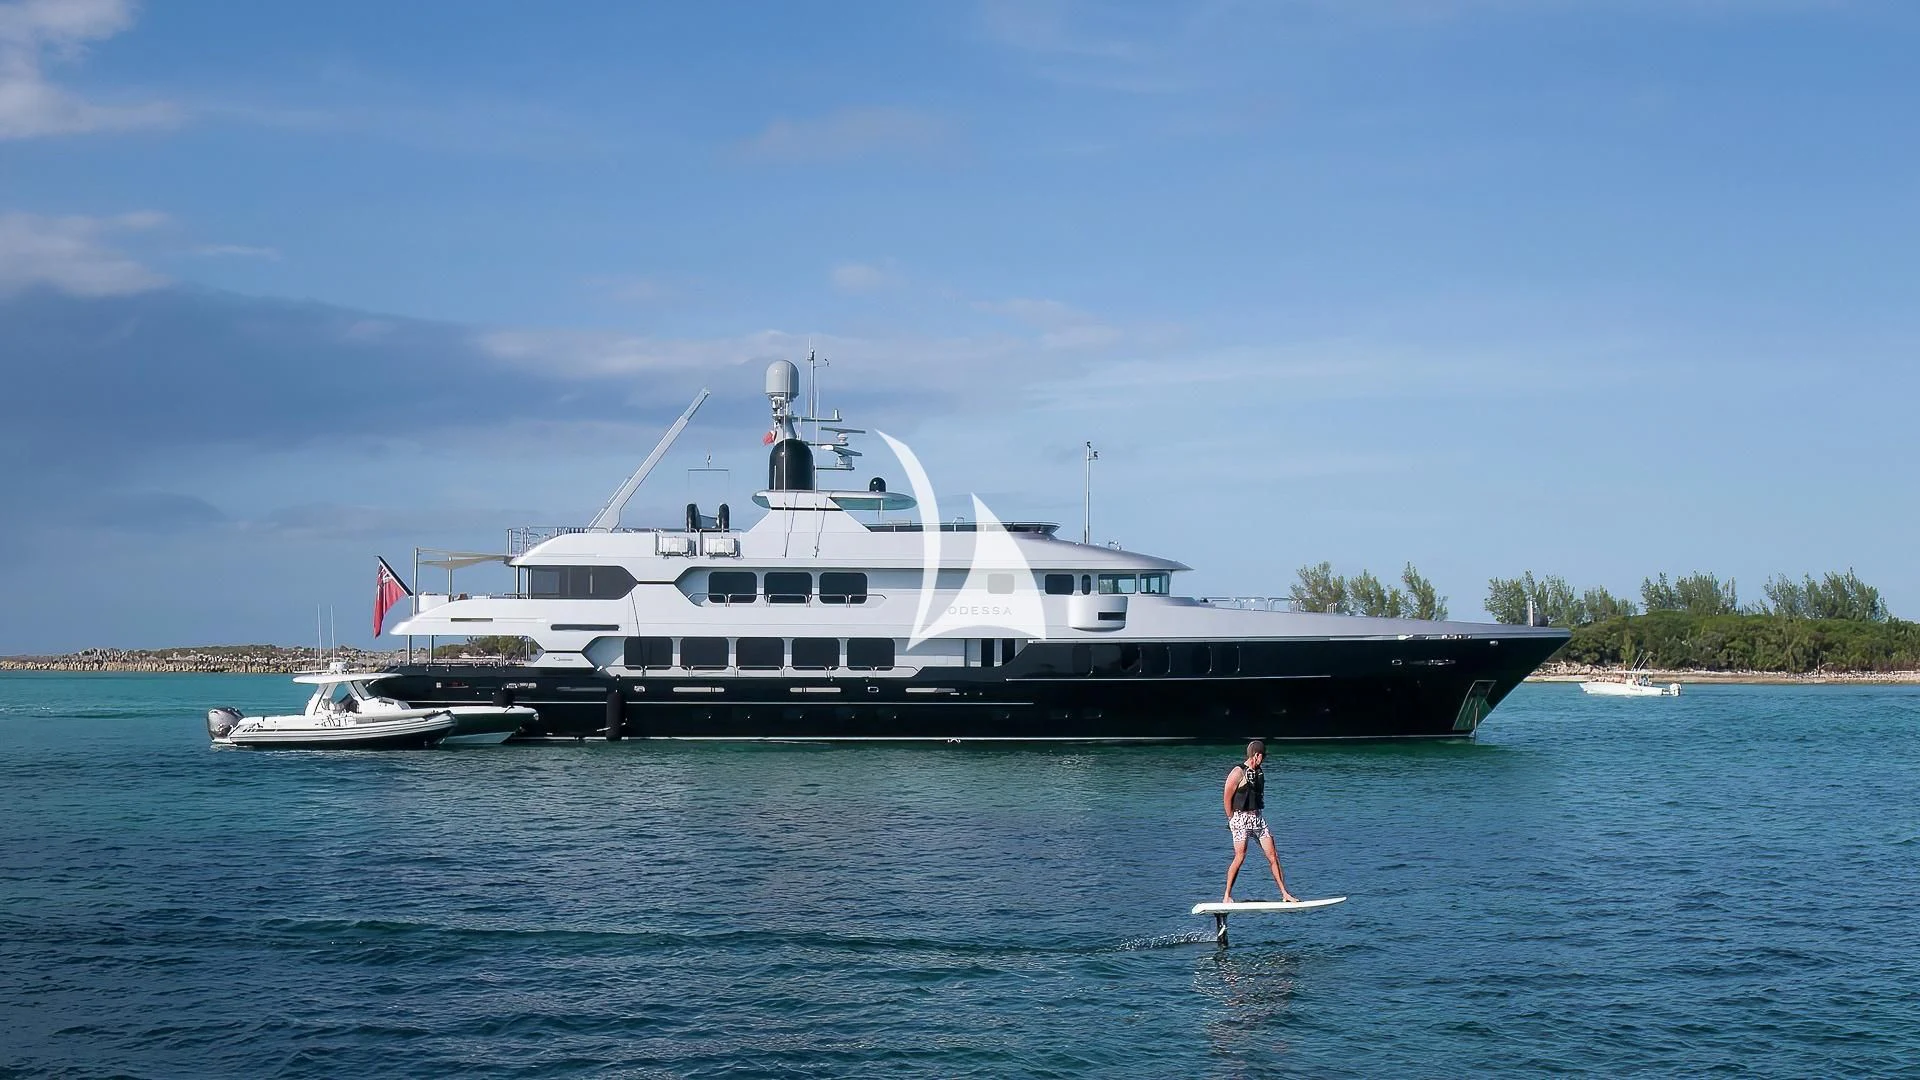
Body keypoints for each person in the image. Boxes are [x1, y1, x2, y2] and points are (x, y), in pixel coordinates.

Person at [1222, 739, 1298, 904]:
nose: (1263, 759)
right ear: (1257, 755)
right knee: (1240, 856)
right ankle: (1227, 895)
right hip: (1240, 819)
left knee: (1273, 855)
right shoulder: (1237, 772)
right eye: (1263, 756)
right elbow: (1227, 798)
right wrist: (1231, 819)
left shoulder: (1258, 772)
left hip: (1257, 819)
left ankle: (1285, 893)